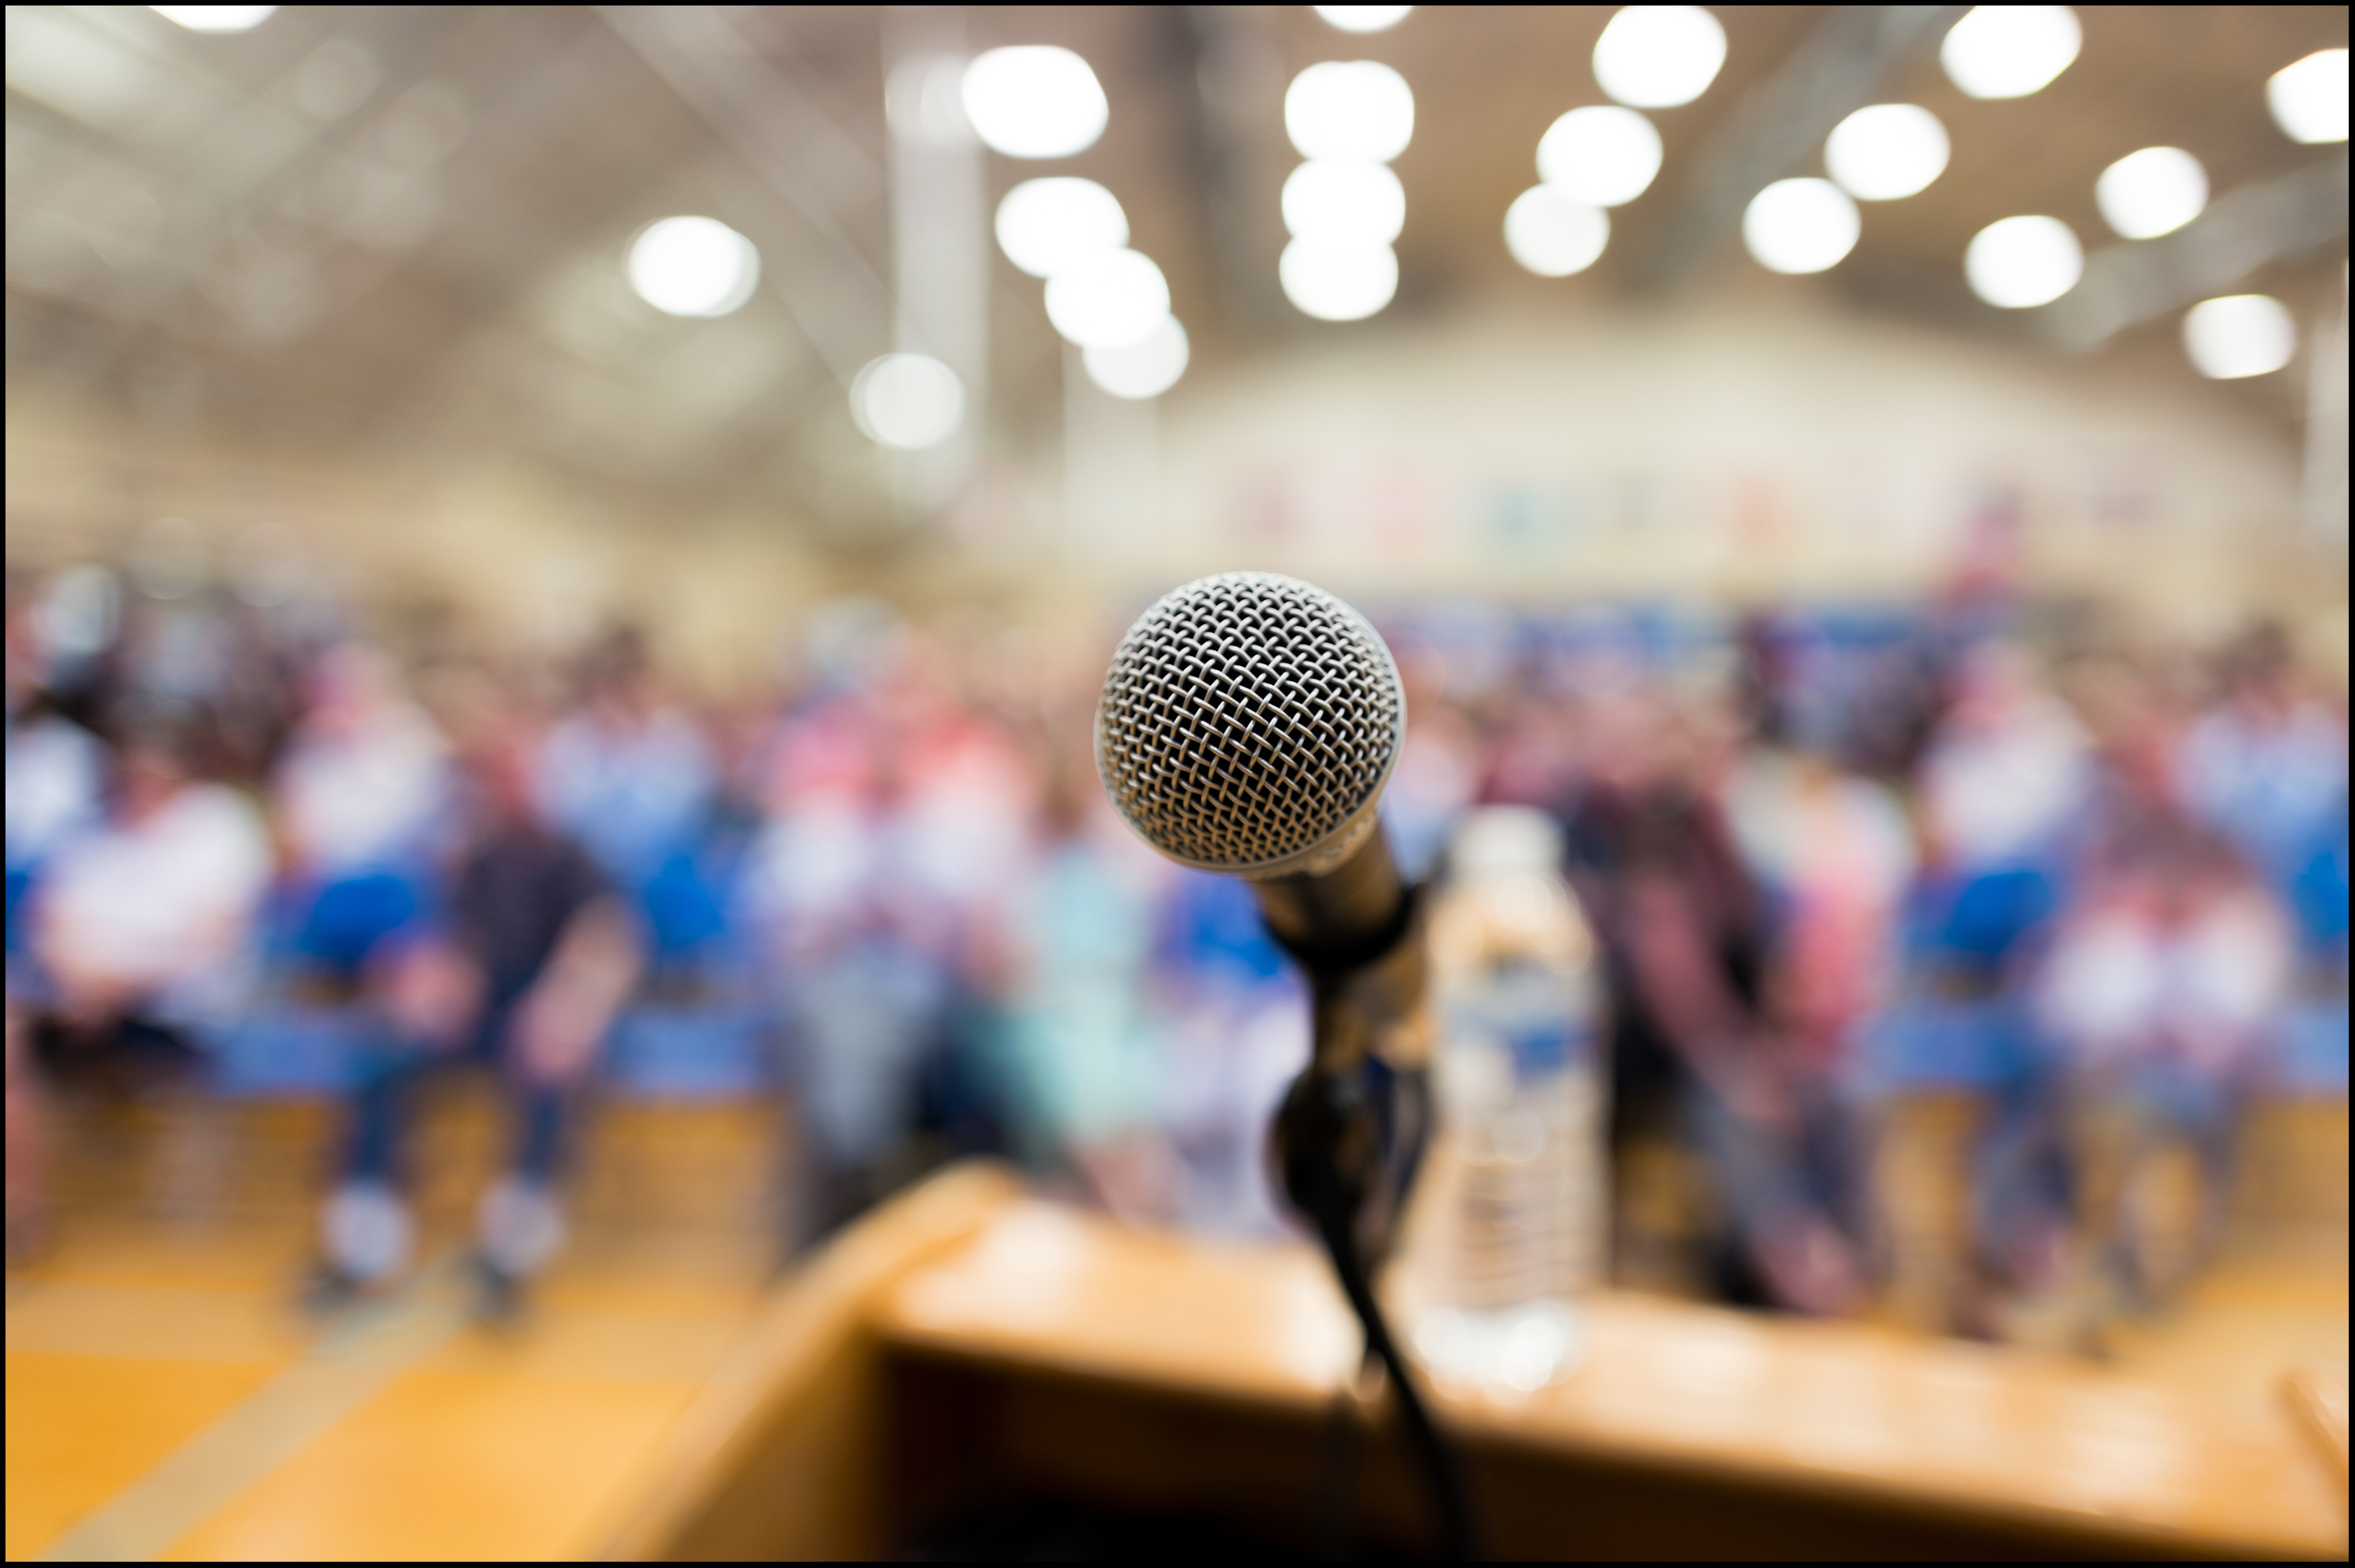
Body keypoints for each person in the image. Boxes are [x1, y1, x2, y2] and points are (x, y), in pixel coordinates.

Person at [313, 728, 640, 1321]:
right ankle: (365, 1246)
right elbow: (454, 945)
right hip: (484, 1012)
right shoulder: (478, 859)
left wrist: (567, 1007)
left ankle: (512, 1257)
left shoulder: (578, 860)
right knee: (382, 1054)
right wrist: (430, 990)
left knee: (549, 1075)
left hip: (551, 1014)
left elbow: (608, 941)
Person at [13, 711, 272, 1254]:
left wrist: (114, 984)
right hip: (82, 1001)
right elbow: (49, 922)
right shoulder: (93, 833)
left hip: (182, 1009)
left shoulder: (219, 827)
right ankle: (22, 1215)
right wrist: (79, 978)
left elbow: (212, 939)